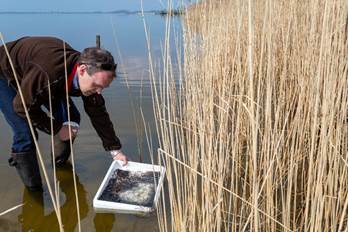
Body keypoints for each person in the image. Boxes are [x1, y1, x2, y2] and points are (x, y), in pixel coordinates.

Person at [0, 36, 128, 191]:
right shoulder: (48, 74)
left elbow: (99, 115)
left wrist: (115, 151)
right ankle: (34, 189)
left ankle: (59, 164)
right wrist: (56, 128)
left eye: (103, 87)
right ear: (82, 70)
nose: (98, 91)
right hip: (5, 72)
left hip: (37, 74)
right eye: (96, 85)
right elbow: (21, 106)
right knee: (25, 133)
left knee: (71, 119)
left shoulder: (89, 78)